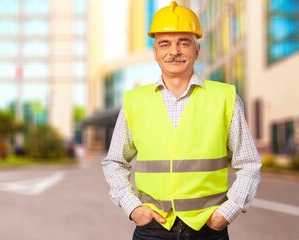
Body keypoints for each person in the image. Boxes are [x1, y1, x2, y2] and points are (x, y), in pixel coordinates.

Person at [102, 1, 261, 239]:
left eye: (183, 43)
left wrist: (225, 214)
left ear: (196, 51)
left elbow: (249, 163)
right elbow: (114, 161)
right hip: (153, 229)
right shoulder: (134, 102)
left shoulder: (225, 98)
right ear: (155, 52)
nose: (174, 51)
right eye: (164, 44)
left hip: (208, 229)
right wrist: (133, 208)